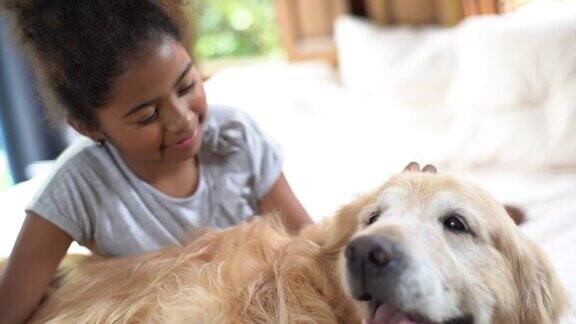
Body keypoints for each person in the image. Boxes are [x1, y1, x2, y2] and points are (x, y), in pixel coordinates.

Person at [0, 1, 312, 322]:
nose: (183, 119)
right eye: (148, 116)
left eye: (187, 86)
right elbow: (9, 308)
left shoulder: (236, 140)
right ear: (89, 127)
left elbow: (311, 248)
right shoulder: (80, 186)